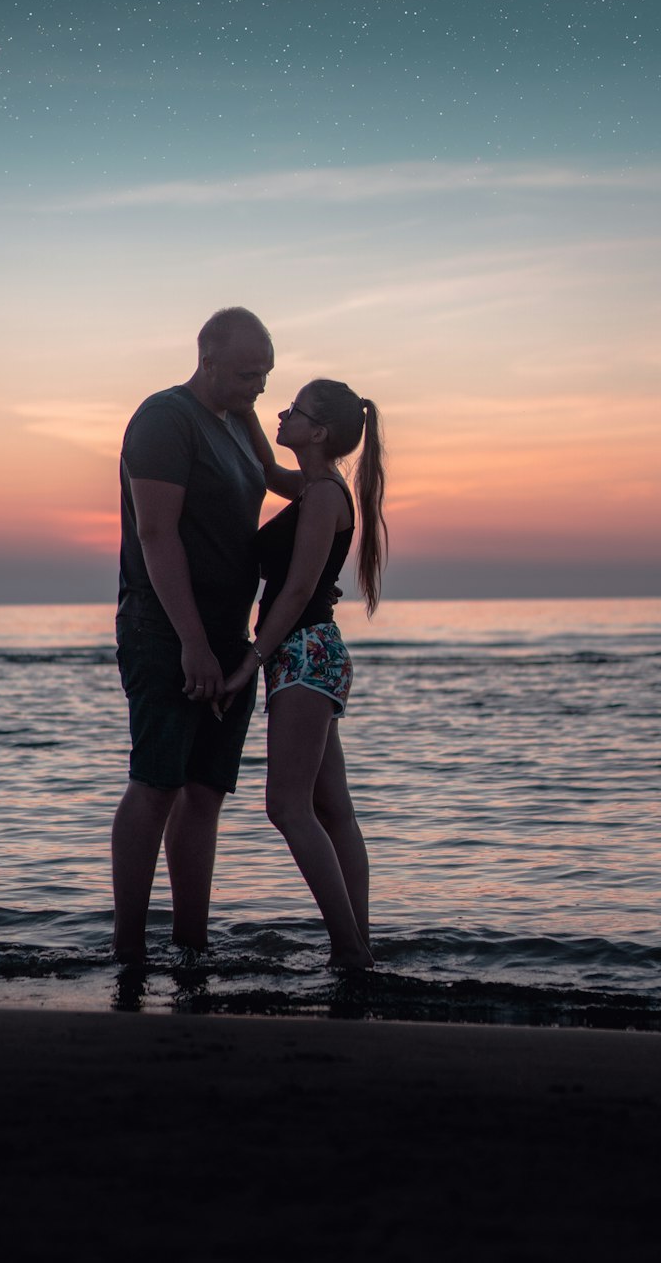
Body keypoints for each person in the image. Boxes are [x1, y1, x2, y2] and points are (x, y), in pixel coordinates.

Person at [111, 307, 275, 962]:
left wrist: (332, 456)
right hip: (166, 632)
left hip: (229, 636)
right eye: (246, 373)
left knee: (205, 790)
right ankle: (128, 951)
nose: (259, 384)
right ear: (207, 360)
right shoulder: (165, 419)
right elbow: (155, 533)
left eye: (266, 372)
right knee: (158, 783)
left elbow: (284, 482)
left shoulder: (241, 419)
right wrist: (193, 642)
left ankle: (191, 946)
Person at [222, 380, 387, 970]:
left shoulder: (322, 497)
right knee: (332, 809)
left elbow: (295, 590)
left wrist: (253, 658)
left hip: (303, 653)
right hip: (314, 654)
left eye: (296, 410)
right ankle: (358, 946)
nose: (283, 413)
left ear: (318, 432)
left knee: (288, 808)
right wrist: (239, 408)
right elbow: (267, 470)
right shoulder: (315, 486)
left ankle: (349, 950)